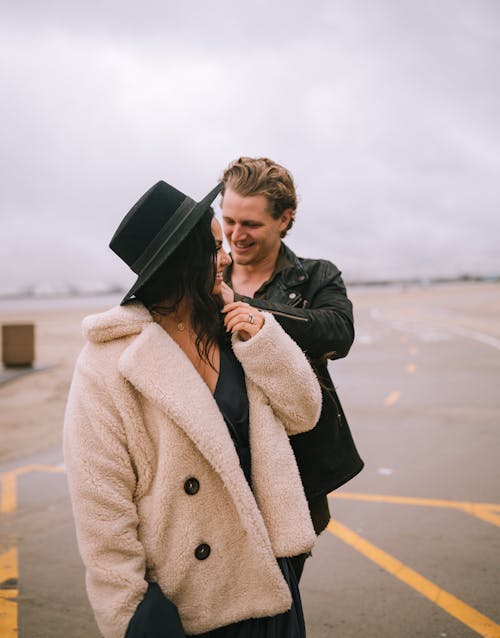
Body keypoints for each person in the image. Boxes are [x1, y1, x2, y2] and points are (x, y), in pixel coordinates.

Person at [63, 179, 322, 638]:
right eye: (216, 245)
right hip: (194, 603)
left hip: (271, 576)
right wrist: (129, 616)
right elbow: (101, 507)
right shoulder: (108, 363)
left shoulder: (232, 325)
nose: (227, 257)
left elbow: (305, 412)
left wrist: (263, 337)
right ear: (183, 258)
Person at [219, 157, 364, 581]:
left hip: (293, 465)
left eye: (251, 224)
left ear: (285, 218)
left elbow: (338, 333)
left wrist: (249, 310)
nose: (236, 235)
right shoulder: (206, 274)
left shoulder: (318, 276)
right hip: (218, 458)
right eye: (228, 220)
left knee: (279, 595)